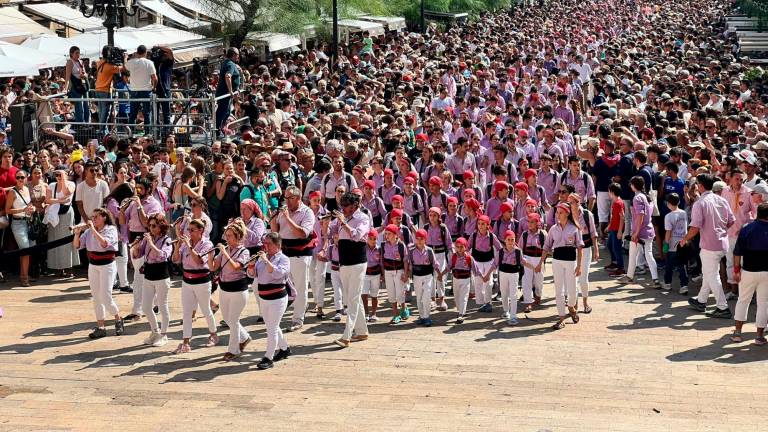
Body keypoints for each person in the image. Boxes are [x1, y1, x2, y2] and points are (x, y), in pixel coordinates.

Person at [681, 173, 735, 318]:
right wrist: (719, 229)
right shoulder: (721, 200)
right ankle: (701, 300)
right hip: (721, 242)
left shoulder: (700, 203)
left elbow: (695, 227)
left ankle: (723, 307)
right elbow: (731, 221)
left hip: (709, 245)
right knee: (709, 273)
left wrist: (685, 239)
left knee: (711, 275)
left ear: (701, 185)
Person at [72, 208, 124, 339]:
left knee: (106, 296)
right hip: (94, 265)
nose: (93, 219)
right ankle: (101, 327)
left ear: (104, 217)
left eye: (96, 217)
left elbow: (104, 243)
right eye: (92, 217)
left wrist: (92, 229)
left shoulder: (110, 230)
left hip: (107, 264)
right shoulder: (89, 231)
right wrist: (77, 234)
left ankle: (118, 318)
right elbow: (76, 246)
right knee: (96, 297)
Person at [270, 186, 315, 332]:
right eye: (286, 198)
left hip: (300, 254)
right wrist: (273, 219)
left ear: (298, 198)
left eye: (290, 198)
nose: (287, 201)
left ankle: (298, 318)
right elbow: (276, 232)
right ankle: (288, 312)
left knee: (300, 287)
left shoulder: (307, 212)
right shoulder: (283, 211)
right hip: (284, 253)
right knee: (286, 286)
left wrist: (288, 218)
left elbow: (302, 234)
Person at [172, 218, 218, 354]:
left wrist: (189, 246)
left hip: (202, 280)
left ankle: (213, 334)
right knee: (187, 312)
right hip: (187, 280)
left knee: (205, 310)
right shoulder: (186, 243)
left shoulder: (207, 244)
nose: (189, 232)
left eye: (192, 230)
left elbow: (198, 261)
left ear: (201, 231)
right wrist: (176, 247)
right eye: (188, 230)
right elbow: (175, 260)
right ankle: (186, 342)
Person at [120, 179, 163, 322]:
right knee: (144, 276)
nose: (137, 191)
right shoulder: (132, 202)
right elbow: (122, 221)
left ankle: (137, 311)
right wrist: (122, 209)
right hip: (133, 241)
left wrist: (139, 206)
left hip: (145, 241)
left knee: (138, 278)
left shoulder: (154, 204)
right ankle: (156, 304)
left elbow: (147, 224)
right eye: (136, 188)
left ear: (148, 189)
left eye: (140, 188)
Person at [247, 232, 292, 370]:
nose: (265, 246)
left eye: (268, 244)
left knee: (271, 328)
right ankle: (284, 348)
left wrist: (266, 261)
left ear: (278, 245)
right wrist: (250, 266)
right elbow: (252, 275)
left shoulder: (283, 259)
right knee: (272, 325)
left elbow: (278, 273)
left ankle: (268, 357)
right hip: (264, 297)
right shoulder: (262, 258)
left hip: (278, 298)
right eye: (264, 243)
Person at [333, 192, 372, 348]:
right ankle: (362, 331)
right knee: (351, 296)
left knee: (352, 299)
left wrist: (343, 223)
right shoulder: (344, 217)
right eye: (342, 206)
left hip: (357, 262)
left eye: (347, 206)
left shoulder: (363, 218)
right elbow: (331, 235)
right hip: (344, 261)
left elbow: (356, 236)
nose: (344, 209)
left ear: (355, 205)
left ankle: (347, 335)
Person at [211, 220, 251, 361]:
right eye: (226, 235)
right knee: (228, 319)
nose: (226, 238)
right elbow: (213, 267)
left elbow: (236, 266)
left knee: (233, 320)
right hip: (225, 288)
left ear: (238, 237)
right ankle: (245, 337)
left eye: (229, 236)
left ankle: (233, 350)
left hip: (238, 290)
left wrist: (224, 252)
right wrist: (210, 256)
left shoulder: (244, 251)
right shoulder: (225, 250)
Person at [133, 213, 173, 347]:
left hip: (161, 275)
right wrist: (137, 246)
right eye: (149, 225)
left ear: (161, 226)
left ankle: (164, 334)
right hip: (149, 274)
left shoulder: (167, 240)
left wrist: (150, 243)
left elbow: (163, 256)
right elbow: (139, 254)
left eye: (154, 225)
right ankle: (155, 332)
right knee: (145, 306)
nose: (151, 228)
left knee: (162, 306)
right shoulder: (148, 238)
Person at [731, 203, 768, 345]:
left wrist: (736, 270)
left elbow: (737, 252)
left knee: (743, 300)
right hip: (766, 272)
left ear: (758, 213)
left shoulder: (747, 229)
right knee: (763, 303)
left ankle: (738, 333)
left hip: (748, 270)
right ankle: (759, 336)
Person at [543, 203, 583, 330]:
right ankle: (561, 318)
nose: (558, 215)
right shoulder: (553, 229)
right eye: (557, 212)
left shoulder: (575, 228)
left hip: (571, 261)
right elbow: (546, 246)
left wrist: (579, 266)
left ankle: (571, 306)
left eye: (560, 212)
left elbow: (580, 248)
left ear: (567, 213)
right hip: (557, 261)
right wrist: (540, 262)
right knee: (558, 291)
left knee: (572, 291)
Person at [617, 176, 661, 288]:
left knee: (633, 255)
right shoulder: (646, 197)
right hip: (648, 231)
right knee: (649, 255)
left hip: (639, 232)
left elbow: (640, 215)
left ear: (633, 185)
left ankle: (629, 277)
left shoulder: (637, 198)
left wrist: (636, 233)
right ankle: (655, 279)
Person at [47, 168, 79, 278]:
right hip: (54, 213)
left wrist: (63, 179)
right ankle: (57, 268)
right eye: (57, 175)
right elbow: (47, 200)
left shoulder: (71, 184)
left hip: (67, 213)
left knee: (67, 238)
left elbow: (67, 192)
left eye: (60, 174)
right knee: (54, 239)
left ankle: (69, 267)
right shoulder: (51, 185)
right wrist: (60, 201)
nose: (58, 177)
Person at [6, 169, 35, 286]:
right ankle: (24, 277)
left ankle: (24, 274)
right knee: (25, 249)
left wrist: (31, 209)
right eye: (17, 177)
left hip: (28, 222)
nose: (20, 180)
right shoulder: (12, 192)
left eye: (22, 177)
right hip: (17, 223)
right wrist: (22, 210)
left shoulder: (27, 189)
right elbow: (8, 210)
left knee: (28, 249)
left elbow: (28, 205)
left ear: (26, 178)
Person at [469, 215, 501, 313]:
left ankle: (488, 303)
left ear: (487, 225)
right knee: (478, 282)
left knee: (488, 282)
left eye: (483, 224)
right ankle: (482, 302)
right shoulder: (473, 236)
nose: (480, 226)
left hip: (488, 262)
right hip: (476, 262)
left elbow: (500, 248)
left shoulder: (491, 236)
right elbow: (467, 248)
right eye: (479, 224)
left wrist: (496, 262)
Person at [381, 223, 411, 324]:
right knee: (391, 293)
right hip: (388, 271)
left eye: (389, 234)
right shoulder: (383, 245)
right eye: (386, 234)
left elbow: (405, 260)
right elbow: (382, 260)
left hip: (399, 270)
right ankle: (396, 314)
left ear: (395, 234)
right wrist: (382, 274)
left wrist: (406, 274)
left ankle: (404, 308)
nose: (387, 236)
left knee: (399, 293)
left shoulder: (401, 245)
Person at [409, 229, 438, 326]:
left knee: (426, 296)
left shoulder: (429, 251)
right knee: (419, 296)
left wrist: (440, 274)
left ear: (425, 239)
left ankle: (427, 316)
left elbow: (435, 263)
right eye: (417, 239)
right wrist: (407, 275)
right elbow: (409, 264)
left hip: (428, 276)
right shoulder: (411, 251)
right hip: (417, 276)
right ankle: (421, 316)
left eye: (422, 239)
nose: (419, 241)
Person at [125, 45, 157, 130]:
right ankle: (148, 133)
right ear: (145, 52)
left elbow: (124, 68)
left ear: (137, 52)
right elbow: (155, 78)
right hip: (147, 90)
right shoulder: (149, 63)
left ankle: (130, 133)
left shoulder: (131, 62)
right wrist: (154, 87)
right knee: (147, 113)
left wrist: (125, 57)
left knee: (133, 113)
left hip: (134, 90)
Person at [93, 45, 124, 134]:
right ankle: (102, 131)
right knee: (105, 113)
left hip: (98, 89)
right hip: (105, 91)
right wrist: (123, 58)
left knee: (101, 111)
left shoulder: (99, 62)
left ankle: (103, 130)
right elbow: (123, 69)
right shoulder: (110, 67)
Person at [663, 193, 689, 294]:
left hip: (672, 244)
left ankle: (668, 283)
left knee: (669, 265)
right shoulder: (683, 213)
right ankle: (684, 285)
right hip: (683, 243)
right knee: (682, 265)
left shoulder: (668, 216)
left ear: (668, 203)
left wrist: (666, 243)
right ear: (678, 202)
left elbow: (668, 231)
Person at [520, 213, 546, 312]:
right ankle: (528, 302)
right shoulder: (525, 234)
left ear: (537, 223)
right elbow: (520, 248)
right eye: (528, 222)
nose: (529, 224)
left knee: (538, 280)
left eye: (532, 222)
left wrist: (541, 262)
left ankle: (538, 295)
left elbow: (546, 249)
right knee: (527, 281)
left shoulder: (543, 234)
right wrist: (522, 260)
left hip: (539, 260)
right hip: (527, 259)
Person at [498, 230, 523, 325]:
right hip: (503, 274)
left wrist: (534, 267)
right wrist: (487, 274)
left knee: (513, 295)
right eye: (508, 239)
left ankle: (513, 316)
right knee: (504, 294)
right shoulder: (500, 252)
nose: (510, 242)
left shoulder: (518, 251)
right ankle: (506, 311)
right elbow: (495, 264)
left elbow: (523, 261)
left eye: (512, 240)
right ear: (505, 240)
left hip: (514, 274)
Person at [215, 47, 242, 135]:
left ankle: (220, 128)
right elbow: (228, 76)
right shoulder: (230, 64)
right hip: (225, 93)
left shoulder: (228, 63)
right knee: (222, 111)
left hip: (226, 94)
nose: (238, 56)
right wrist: (230, 91)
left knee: (226, 112)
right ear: (234, 55)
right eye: (238, 54)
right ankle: (217, 130)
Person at [448, 237, 474, 324]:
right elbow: (449, 266)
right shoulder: (454, 257)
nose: (459, 249)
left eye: (461, 247)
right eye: (457, 247)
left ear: (465, 247)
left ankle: (461, 314)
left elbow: (475, 269)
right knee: (457, 296)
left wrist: (483, 277)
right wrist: (441, 274)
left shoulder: (469, 258)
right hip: (455, 279)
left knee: (464, 297)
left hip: (466, 280)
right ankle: (460, 310)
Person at [604, 183, 625, 276]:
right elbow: (613, 217)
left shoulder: (618, 203)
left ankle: (621, 268)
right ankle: (614, 262)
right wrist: (609, 226)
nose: (608, 193)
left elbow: (622, 217)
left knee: (617, 249)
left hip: (617, 230)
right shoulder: (615, 202)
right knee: (610, 245)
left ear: (612, 192)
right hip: (613, 228)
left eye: (609, 191)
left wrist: (620, 231)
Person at [64, 46, 89, 124]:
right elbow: (67, 78)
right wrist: (65, 88)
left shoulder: (80, 62)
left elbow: (86, 74)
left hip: (83, 86)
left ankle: (87, 123)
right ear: (71, 54)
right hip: (76, 87)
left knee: (86, 105)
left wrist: (84, 75)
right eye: (76, 53)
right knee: (79, 106)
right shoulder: (70, 62)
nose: (78, 55)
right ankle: (81, 124)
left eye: (79, 53)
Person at [362, 229, 382, 322]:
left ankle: (374, 314)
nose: (373, 241)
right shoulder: (363, 248)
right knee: (364, 295)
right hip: (365, 274)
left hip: (376, 274)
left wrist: (382, 275)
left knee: (374, 295)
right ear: (367, 239)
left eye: (375, 239)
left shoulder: (379, 249)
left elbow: (381, 263)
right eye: (371, 239)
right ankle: (366, 313)